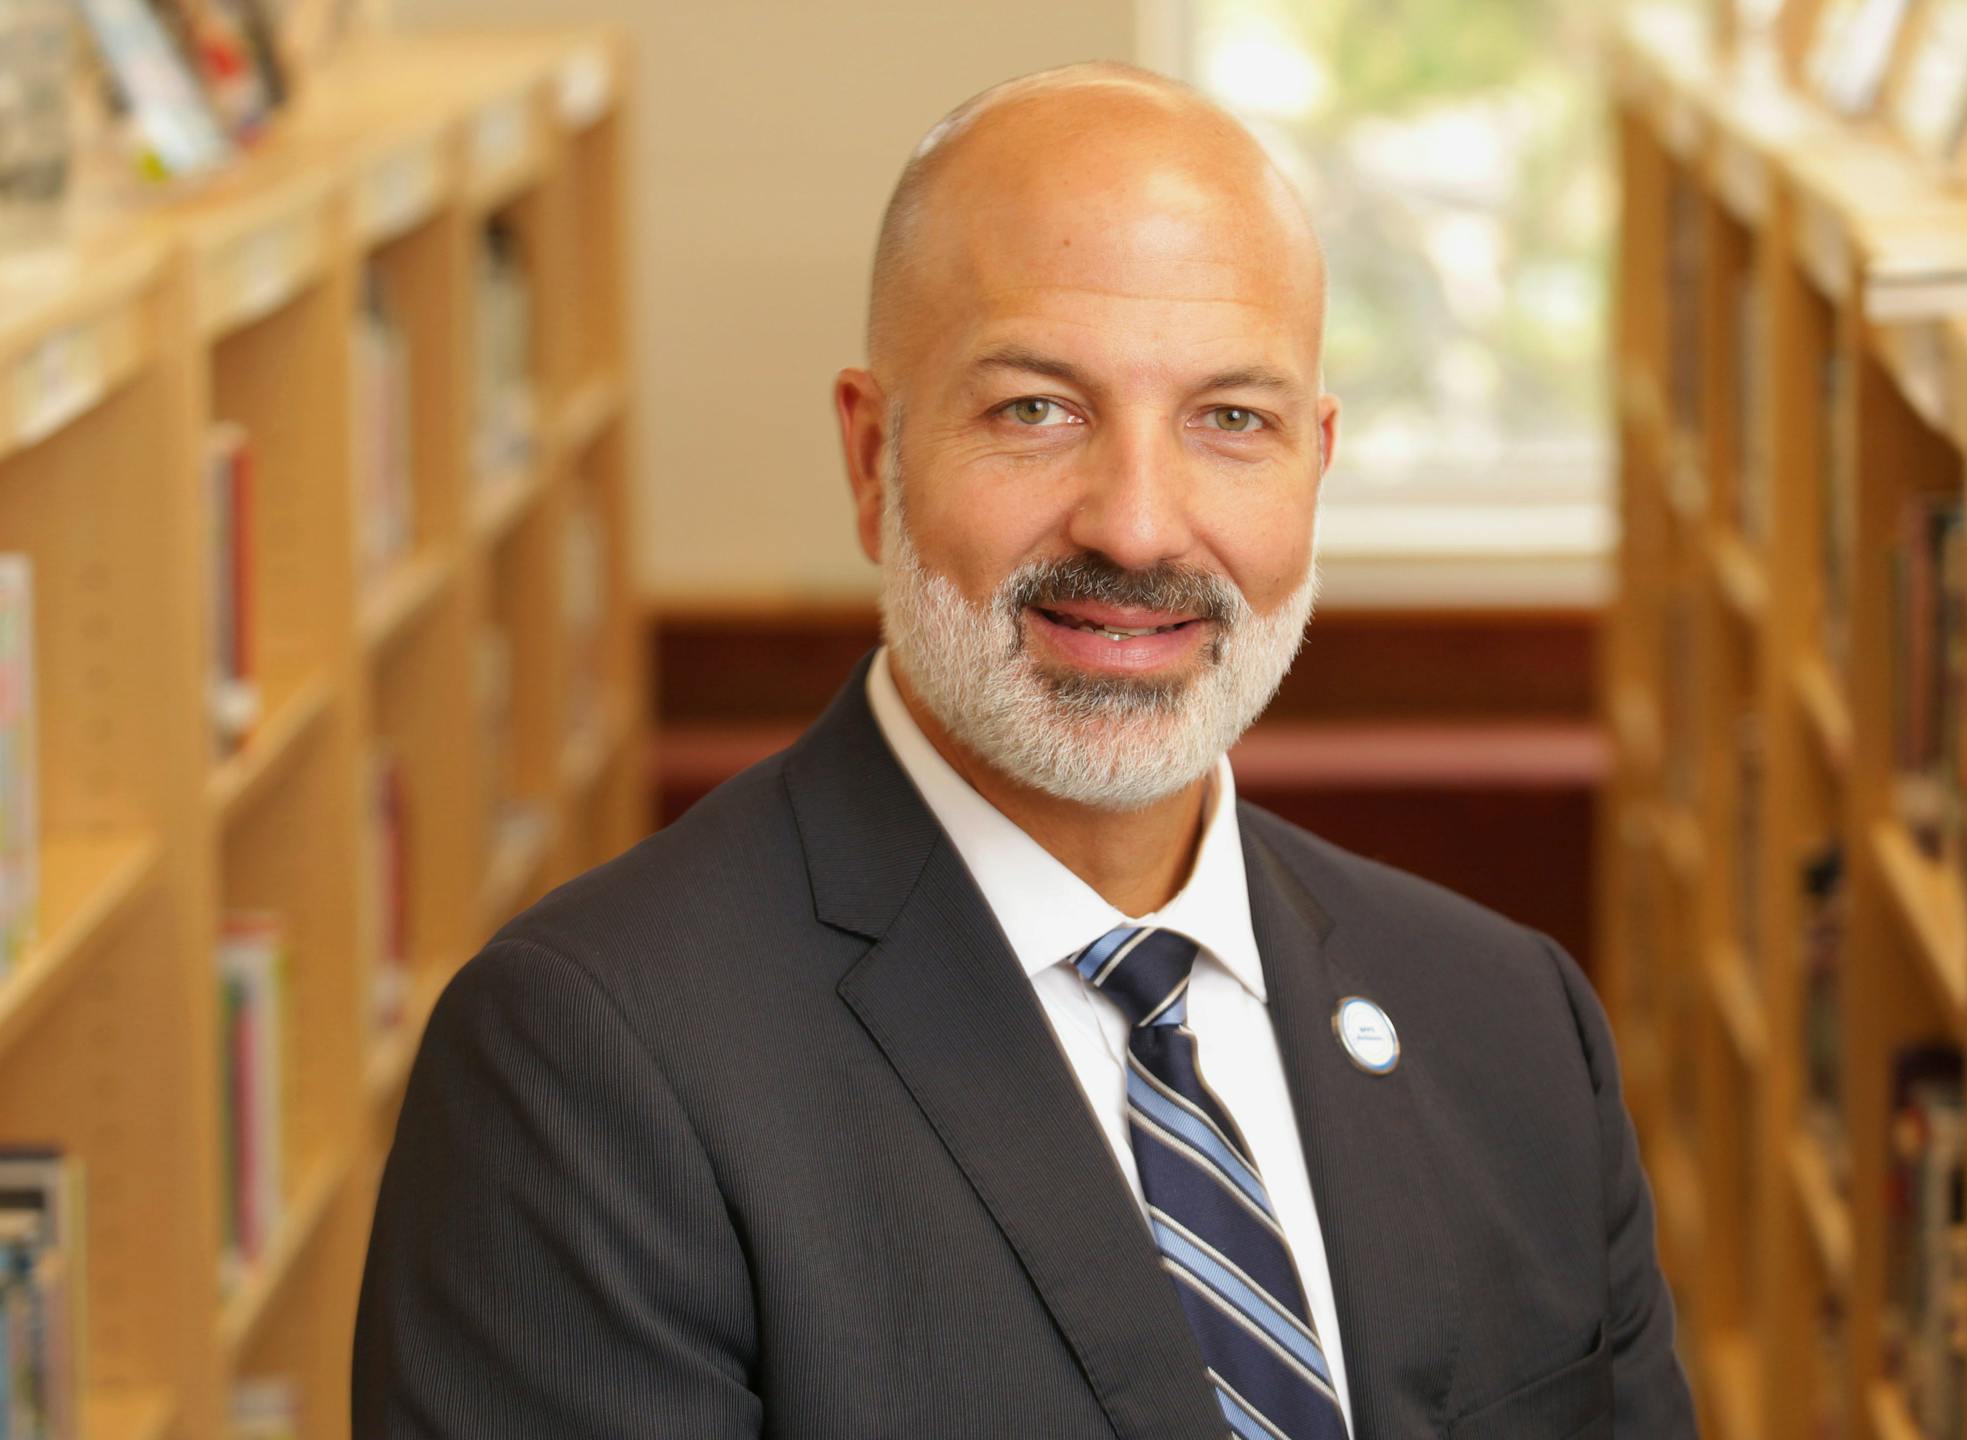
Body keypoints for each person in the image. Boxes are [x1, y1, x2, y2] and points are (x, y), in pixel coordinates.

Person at [353, 61, 1696, 1440]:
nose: (1137, 526)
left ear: (1316, 460)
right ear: (873, 457)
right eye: (1035, 411)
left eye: (1233, 420)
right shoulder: (587, 1070)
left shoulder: (1513, 1025)